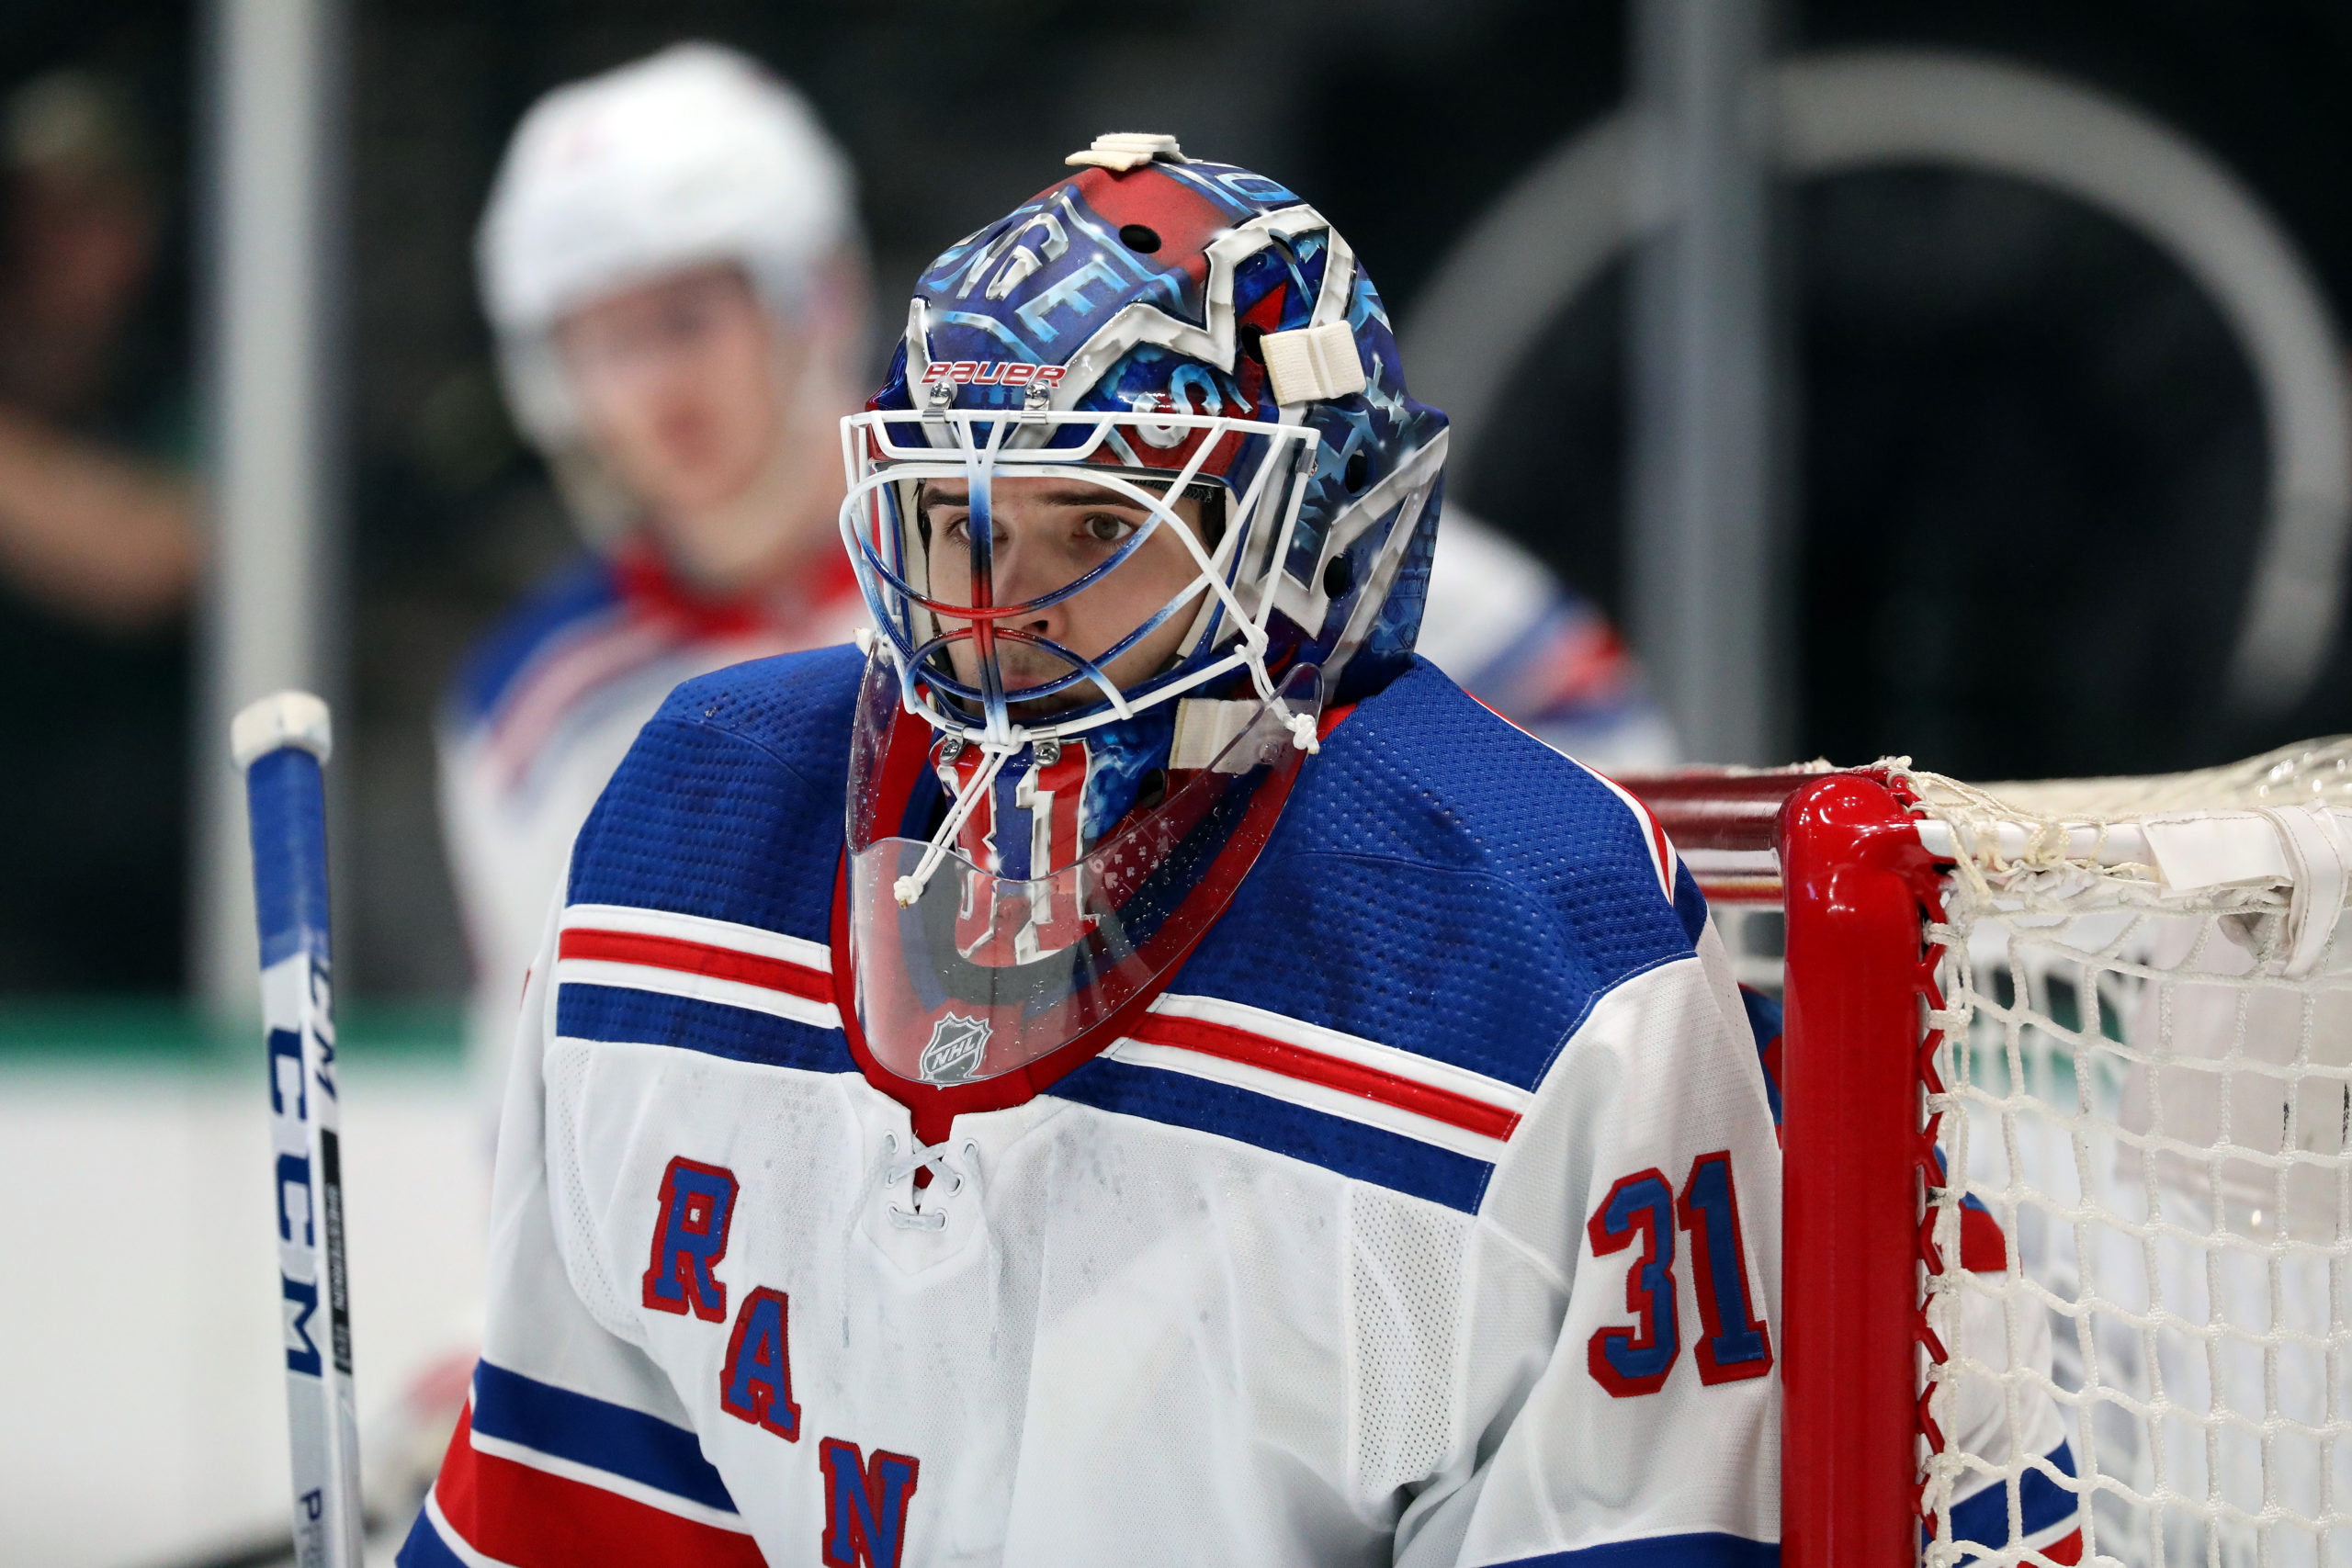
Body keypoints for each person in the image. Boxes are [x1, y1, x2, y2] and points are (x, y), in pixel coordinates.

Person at [401, 134, 1780, 1567]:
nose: (999, 609)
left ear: (1300, 534)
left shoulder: (1548, 961)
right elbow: (580, 1506)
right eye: (957, 520)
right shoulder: (681, 828)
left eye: (1095, 525)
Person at [443, 42, 870, 1088]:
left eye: (687, 319)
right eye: (600, 345)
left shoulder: (1020, 594)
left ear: (812, 299)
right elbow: (543, 1101)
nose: (651, 388)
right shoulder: (528, 710)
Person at [0, 67, 199, 989]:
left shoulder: (200, 372)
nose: (55, 245)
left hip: (152, 898)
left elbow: (155, 558)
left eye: (91, 213)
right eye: (30, 213)